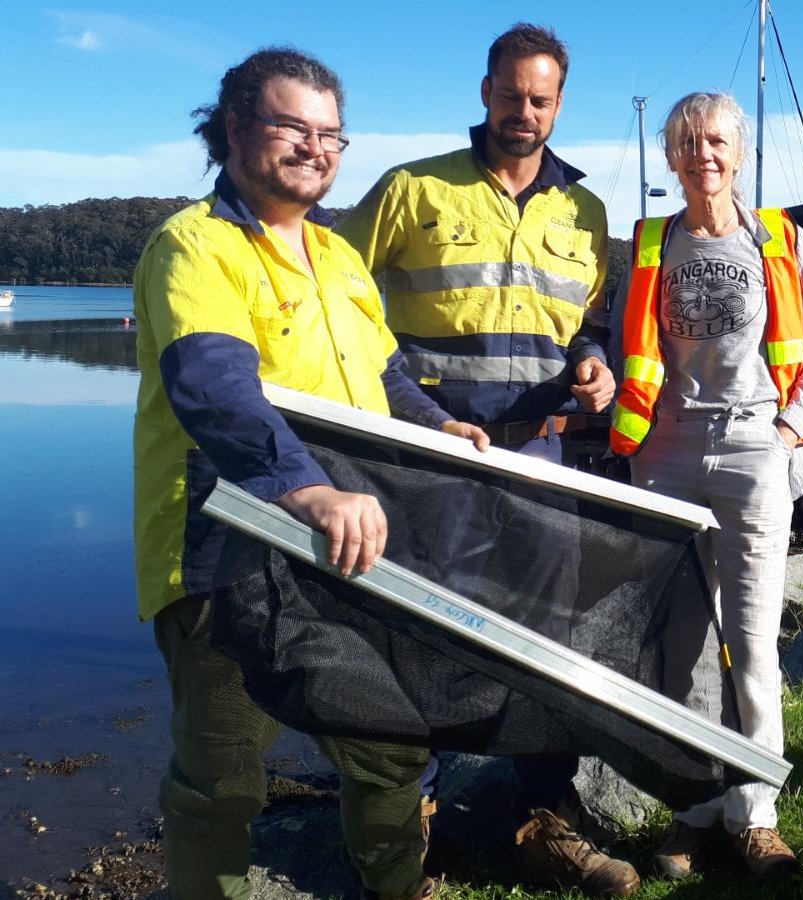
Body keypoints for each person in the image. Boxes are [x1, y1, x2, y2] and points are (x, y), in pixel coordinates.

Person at [133, 48, 488, 900]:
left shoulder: (338, 256)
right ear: (233, 128)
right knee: (222, 780)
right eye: (294, 126)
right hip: (225, 554)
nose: (315, 147)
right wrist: (308, 486)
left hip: (344, 553)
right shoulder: (194, 246)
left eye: (331, 134)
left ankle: (397, 887)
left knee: (390, 744)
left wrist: (442, 428)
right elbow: (214, 388)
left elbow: (386, 374)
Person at [337, 24, 636, 899]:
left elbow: (583, 322)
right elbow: (342, 307)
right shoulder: (411, 188)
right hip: (428, 459)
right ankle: (409, 829)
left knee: (546, 639)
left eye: (541, 99)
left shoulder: (585, 209)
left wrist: (593, 366)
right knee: (419, 636)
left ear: (559, 104)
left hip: (541, 460)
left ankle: (544, 818)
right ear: (484, 91)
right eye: (511, 94)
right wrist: (419, 415)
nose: (525, 112)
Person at [608, 91, 803, 880]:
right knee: (682, 645)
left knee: (752, 641)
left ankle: (755, 815)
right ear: (671, 159)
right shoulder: (647, 245)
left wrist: (777, 442)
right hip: (665, 454)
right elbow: (623, 357)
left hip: (753, 450)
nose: (701, 154)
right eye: (686, 143)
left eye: (715, 141)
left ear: (738, 153)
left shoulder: (781, 239)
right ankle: (695, 810)